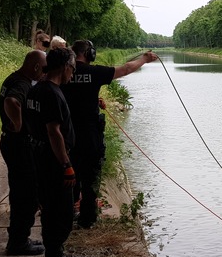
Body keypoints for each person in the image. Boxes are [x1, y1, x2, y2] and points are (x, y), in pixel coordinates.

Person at [61, 40, 158, 228]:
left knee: (68, 174)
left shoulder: (62, 72)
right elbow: (127, 69)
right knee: (90, 178)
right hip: (89, 135)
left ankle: (66, 215)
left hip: (65, 133)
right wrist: (145, 58)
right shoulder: (94, 72)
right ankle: (87, 220)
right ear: (90, 54)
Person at [25, 47, 77, 257]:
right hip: (54, 161)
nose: (73, 74)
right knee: (63, 212)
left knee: (49, 209)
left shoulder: (36, 89)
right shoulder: (53, 94)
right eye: (73, 69)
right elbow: (54, 132)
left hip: (38, 156)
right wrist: (66, 166)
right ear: (65, 66)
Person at [0, 50, 46, 256]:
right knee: (26, 194)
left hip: (10, 142)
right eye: (43, 69)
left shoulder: (13, 77)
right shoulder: (23, 84)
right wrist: (18, 123)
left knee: (20, 191)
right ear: (35, 67)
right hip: (19, 144)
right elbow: (12, 101)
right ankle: (18, 242)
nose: (43, 74)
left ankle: (19, 238)